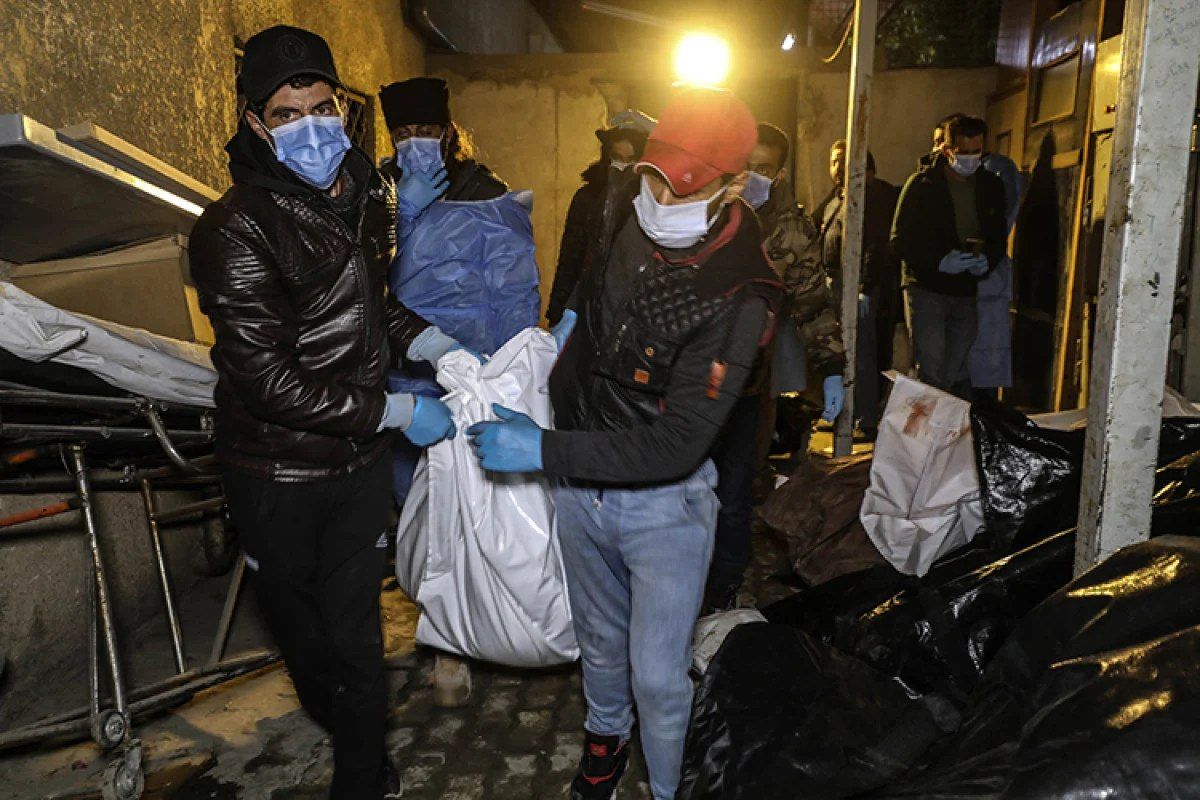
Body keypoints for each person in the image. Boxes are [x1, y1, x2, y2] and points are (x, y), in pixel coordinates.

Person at [465, 88, 781, 800]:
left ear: (734, 185)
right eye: (655, 177)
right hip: (583, 489)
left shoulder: (741, 293)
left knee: (659, 676)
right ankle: (605, 751)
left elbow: (677, 444)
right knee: (601, 650)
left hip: (662, 508)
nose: (661, 198)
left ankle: (668, 789)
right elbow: (591, 287)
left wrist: (540, 451)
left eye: (684, 188)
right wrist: (564, 336)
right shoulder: (625, 212)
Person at [190, 26, 469, 799]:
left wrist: (432, 341)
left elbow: (370, 302)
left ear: (342, 107)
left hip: (357, 468)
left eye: (321, 108)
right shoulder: (236, 228)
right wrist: (394, 411)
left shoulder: (365, 195)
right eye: (287, 114)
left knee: (356, 640)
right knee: (306, 640)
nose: (310, 128)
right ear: (255, 122)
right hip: (276, 472)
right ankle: (347, 720)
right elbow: (265, 380)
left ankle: (361, 770)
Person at [377, 76, 541, 708]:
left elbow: (513, 288)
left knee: (462, 503)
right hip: (402, 371)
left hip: (470, 371)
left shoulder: (486, 193)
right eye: (402, 133)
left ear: (449, 133)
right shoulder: (378, 192)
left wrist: (506, 369)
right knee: (410, 505)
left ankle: (458, 640)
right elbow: (362, 279)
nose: (415, 142)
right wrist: (403, 215)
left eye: (426, 130)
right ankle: (437, 619)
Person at [701, 122, 845, 613]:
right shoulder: (703, 211)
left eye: (764, 168)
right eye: (746, 165)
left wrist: (831, 364)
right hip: (690, 378)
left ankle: (724, 589)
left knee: (736, 489)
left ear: (779, 174)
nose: (752, 176)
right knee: (686, 486)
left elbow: (813, 302)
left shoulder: (790, 229)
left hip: (747, 379)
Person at [891, 114, 1008, 395]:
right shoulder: (922, 185)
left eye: (976, 152)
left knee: (952, 371)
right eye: (963, 152)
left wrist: (987, 261)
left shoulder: (990, 186)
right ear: (947, 150)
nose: (971, 159)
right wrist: (938, 262)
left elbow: (998, 235)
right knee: (931, 370)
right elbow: (899, 240)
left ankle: (939, 418)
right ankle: (930, 420)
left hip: (965, 290)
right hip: (926, 288)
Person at [817, 139, 899, 435]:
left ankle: (865, 418)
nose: (839, 167)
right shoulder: (835, 199)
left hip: (859, 283)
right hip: (834, 282)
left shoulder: (872, 197)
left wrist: (865, 285)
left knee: (861, 351)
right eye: (835, 161)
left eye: (845, 160)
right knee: (838, 351)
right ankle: (842, 414)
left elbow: (875, 243)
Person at [547, 109, 655, 326]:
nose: (622, 166)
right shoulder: (588, 196)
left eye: (631, 159)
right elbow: (570, 256)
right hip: (587, 296)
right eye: (617, 157)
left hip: (629, 305)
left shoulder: (650, 201)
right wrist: (557, 311)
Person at [967, 140, 1024, 396]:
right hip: (968, 284)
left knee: (985, 364)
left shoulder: (999, 171)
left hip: (989, 278)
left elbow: (1000, 221)